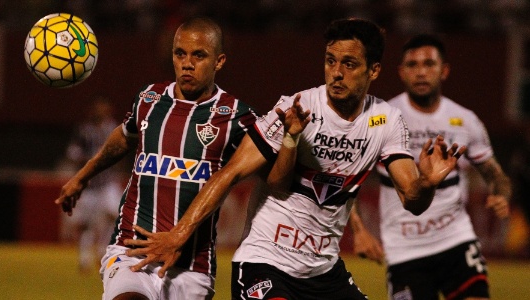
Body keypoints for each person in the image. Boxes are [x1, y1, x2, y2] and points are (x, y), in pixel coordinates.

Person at [123, 18, 466, 300]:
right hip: (265, 263)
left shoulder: (386, 120)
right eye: (331, 61)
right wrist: (178, 235)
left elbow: (413, 200)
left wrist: (428, 183)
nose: (336, 73)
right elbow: (230, 175)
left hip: (324, 273)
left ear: (373, 71)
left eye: (349, 64)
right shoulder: (296, 107)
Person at [55, 17, 258, 300]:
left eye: (199, 55)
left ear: (219, 61)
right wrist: (82, 176)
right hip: (132, 253)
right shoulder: (149, 99)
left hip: (192, 268)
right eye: (180, 54)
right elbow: (125, 136)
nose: (187, 63)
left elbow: (272, 168)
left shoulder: (237, 116)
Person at [350, 34, 511, 300]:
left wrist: (501, 194)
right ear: (401, 72)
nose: (421, 72)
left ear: (444, 70)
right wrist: (358, 230)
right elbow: (346, 177)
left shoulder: (465, 120)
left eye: (429, 64)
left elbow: (495, 174)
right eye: (412, 65)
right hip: (405, 250)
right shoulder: (382, 119)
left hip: (456, 241)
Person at [62, 97, 123, 273]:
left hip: (108, 183)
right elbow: (72, 153)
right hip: (89, 185)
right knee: (85, 224)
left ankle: (103, 250)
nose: (101, 112)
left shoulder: (113, 128)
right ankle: (84, 259)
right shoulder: (84, 130)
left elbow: (122, 149)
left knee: (115, 216)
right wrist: (90, 161)